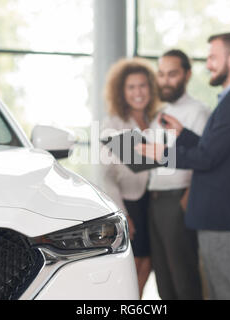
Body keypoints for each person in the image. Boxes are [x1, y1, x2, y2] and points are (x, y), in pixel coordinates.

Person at [137, 33, 230, 300]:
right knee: (217, 290)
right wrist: (184, 133)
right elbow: (213, 149)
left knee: (229, 291)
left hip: (221, 213)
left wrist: (163, 153)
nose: (209, 64)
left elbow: (206, 158)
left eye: (213, 57)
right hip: (215, 213)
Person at [146, 49, 210, 300]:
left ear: (187, 75)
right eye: (161, 74)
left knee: (184, 280)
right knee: (164, 281)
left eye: (172, 74)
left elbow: (204, 158)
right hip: (156, 200)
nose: (165, 80)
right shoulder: (159, 115)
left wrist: (188, 198)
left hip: (178, 200)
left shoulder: (198, 111)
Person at [99, 58, 161, 298]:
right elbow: (108, 176)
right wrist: (123, 213)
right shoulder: (113, 123)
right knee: (134, 262)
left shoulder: (156, 120)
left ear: (151, 88)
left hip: (153, 200)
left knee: (149, 262)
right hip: (130, 201)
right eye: (131, 87)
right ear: (121, 92)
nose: (138, 92)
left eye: (142, 86)